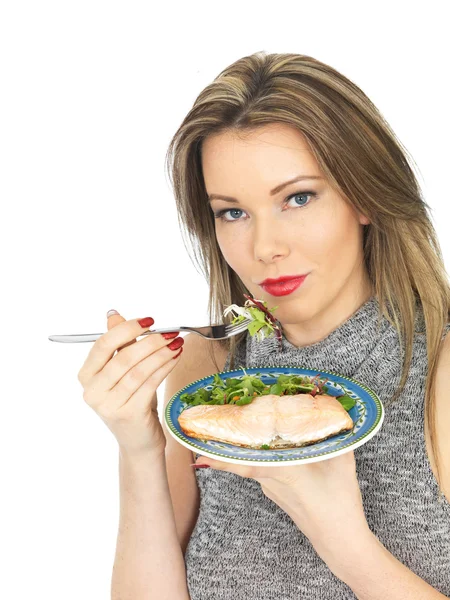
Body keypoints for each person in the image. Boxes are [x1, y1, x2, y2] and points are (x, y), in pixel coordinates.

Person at [77, 52, 450, 599]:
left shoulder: (437, 369)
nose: (264, 249)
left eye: (298, 198)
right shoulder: (209, 369)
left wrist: (345, 544)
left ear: (365, 196)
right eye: (233, 212)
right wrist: (138, 450)